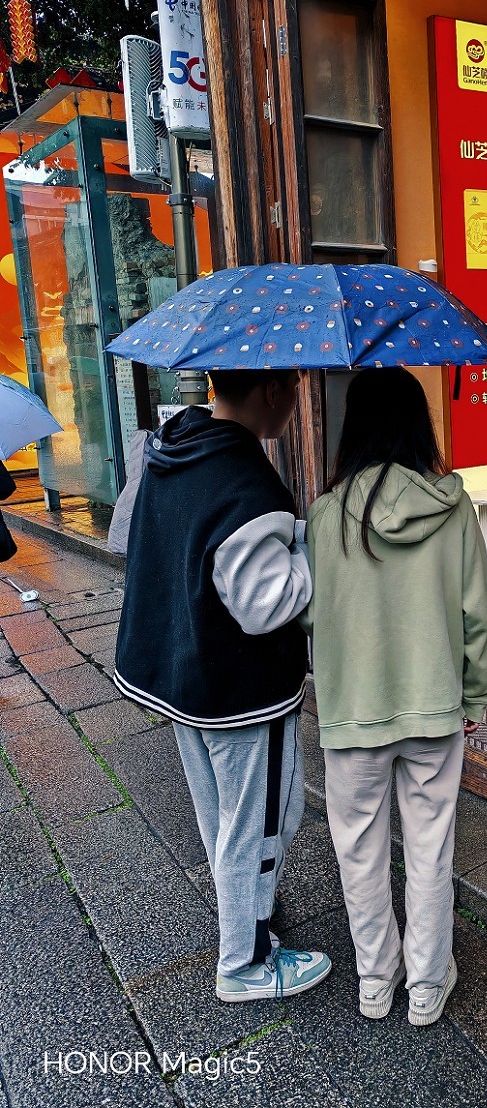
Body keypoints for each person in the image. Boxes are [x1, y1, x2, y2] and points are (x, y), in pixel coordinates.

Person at [114, 369, 331, 1003]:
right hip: (242, 688)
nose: (295, 401)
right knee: (262, 822)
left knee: (221, 816)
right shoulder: (247, 482)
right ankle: (246, 963)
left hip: (181, 673)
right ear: (271, 393)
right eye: (293, 389)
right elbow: (263, 605)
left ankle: (249, 910)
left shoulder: (173, 447)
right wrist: (308, 551)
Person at [303, 368, 487, 1026]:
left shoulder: (324, 516)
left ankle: (375, 982)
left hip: (352, 711)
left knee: (358, 850)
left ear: (352, 428)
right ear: (421, 424)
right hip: (434, 704)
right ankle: (426, 983)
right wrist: (475, 695)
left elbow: (312, 616)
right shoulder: (452, 505)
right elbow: (476, 613)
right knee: (429, 847)